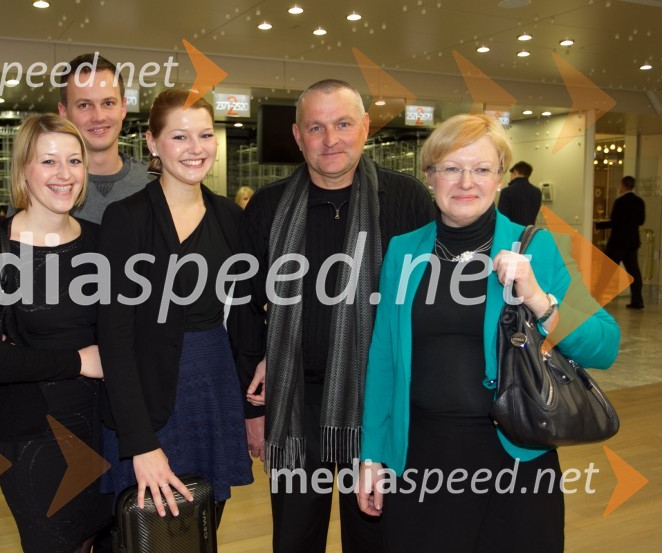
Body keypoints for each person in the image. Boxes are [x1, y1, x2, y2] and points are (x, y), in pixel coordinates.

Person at [357, 113, 620, 552]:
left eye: (481, 169)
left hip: (515, 454)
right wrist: (372, 454)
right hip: (421, 453)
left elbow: (605, 346)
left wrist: (540, 300)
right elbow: (383, 358)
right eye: (451, 168)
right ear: (430, 176)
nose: (466, 182)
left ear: (500, 177)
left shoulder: (537, 247)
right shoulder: (403, 251)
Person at [228, 79, 435, 553]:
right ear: (297, 136)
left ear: (365, 127)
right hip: (294, 403)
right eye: (316, 127)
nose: (331, 140)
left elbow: (428, 306)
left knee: (375, 536)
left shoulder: (407, 200)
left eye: (343, 124)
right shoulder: (268, 206)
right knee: (295, 539)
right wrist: (253, 409)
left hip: (380, 401)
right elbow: (244, 309)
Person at [0, 114, 111, 552]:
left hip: (104, 426)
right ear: (24, 169)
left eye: (74, 161)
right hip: (29, 436)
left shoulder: (102, 242)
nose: (65, 174)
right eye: (48, 161)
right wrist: (78, 361)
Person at [97, 89, 253, 523]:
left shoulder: (230, 218)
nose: (195, 148)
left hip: (213, 385)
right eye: (179, 136)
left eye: (205, 135)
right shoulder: (126, 218)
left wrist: (254, 403)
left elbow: (244, 315)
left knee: (203, 523)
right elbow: (114, 338)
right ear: (152, 142)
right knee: (149, 533)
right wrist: (141, 443)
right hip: (146, 398)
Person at [56, 53, 152, 223]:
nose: (99, 117)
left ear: (123, 107)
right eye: (84, 105)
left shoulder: (155, 183)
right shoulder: (44, 187)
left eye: (108, 103)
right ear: (63, 112)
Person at [596, 175, 645, 308]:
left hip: (617, 243)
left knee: (606, 271)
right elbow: (641, 221)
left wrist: (599, 226)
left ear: (623, 186)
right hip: (632, 242)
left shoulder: (620, 202)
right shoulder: (639, 202)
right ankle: (637, 300)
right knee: (634, 272)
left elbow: (615, 222)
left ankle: (597, 298)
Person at [497, 160, 542, 225]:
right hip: (529, 230)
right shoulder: (537, 192)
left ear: (515, 172)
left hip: (512, 230)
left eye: (511, 174)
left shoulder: (507, 191)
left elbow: (502, 218)